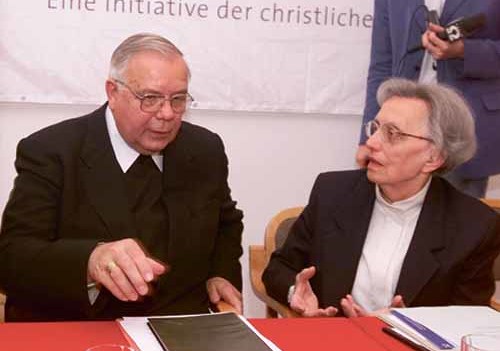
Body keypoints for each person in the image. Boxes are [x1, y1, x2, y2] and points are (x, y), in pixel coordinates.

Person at [0, 33, 244, 321]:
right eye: (150, 98)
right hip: (82, 325)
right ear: (113, 93)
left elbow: (226, 223)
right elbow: (13, 258)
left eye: (178, 99)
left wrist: (220, 273)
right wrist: (90, 260)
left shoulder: (204, 149)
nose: (167, 114)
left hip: (179, 326)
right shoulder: (52, 151)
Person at [263, 78, 500, 317]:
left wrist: (408, 324)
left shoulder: (474, 226)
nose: (372, 142)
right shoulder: (333, 192)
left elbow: (467, 320)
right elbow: (279, 268)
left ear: (433, 158)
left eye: (393, 133)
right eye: (375, 128)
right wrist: (296, 292)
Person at [357, 0, 500, 198]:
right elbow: (382, 65)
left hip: (466, 129)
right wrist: (368, 138)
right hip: (397, 132)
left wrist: (464, 51)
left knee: (457, 225)